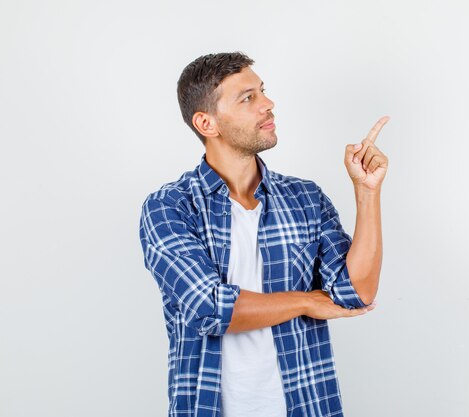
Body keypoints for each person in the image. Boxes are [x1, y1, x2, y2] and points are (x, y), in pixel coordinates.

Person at [139, 52, 389, 417]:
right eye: (248, 98)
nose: (268, 105)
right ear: (207, 123)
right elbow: (210, 308)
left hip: (308, 405)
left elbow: (356, 292)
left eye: (263, 92)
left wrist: (367, 192)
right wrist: (305, 302)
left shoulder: (305, 198)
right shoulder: (169, 207)